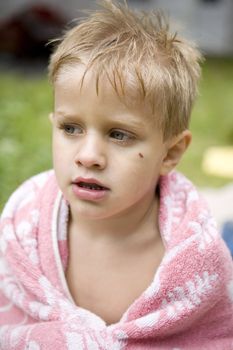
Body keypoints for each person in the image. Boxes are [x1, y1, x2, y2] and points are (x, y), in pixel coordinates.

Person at [0, 1, 232, 349]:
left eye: (119, 134)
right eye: (71, 128)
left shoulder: (195, 263)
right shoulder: (25, 227)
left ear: (170, 153)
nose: (89, 156)